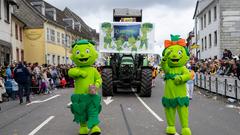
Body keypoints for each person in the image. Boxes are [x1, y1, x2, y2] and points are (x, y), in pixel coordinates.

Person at [68, 40, 102, 135]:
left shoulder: (93, 70)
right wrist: (80, 73)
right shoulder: (76, 69)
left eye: (87, 52)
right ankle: (83, 127)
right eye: (78, 52)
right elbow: (70, 72)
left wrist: (97, 85)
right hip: (79, 96)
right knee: (81, 113)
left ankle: (94, 126)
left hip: (91, 95)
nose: (82, 55)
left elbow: (99, 78)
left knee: (93, 111)